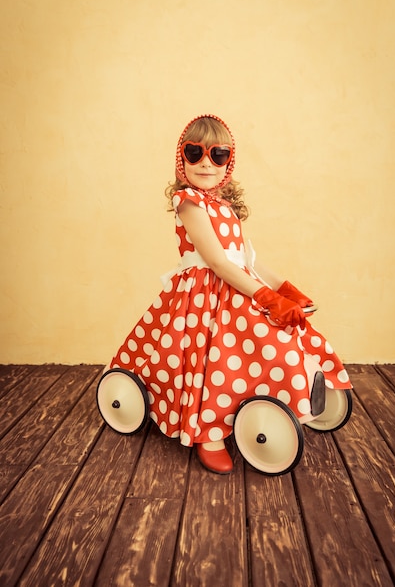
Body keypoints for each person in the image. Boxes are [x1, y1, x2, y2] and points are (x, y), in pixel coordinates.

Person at [108, 113, 352, 474]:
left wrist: (286, 290)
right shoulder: (188, 201)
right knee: (216, 359)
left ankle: (298, 395)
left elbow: (247, 259)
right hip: (204, 299)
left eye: (217, 154)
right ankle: (209, 433)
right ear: (182, 160)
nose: (206, 162)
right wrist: (267, 300)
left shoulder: (225, 206)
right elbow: (218, 263)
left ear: (228, 161)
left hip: (238, 286)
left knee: (286, 337)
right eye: (195, 153)